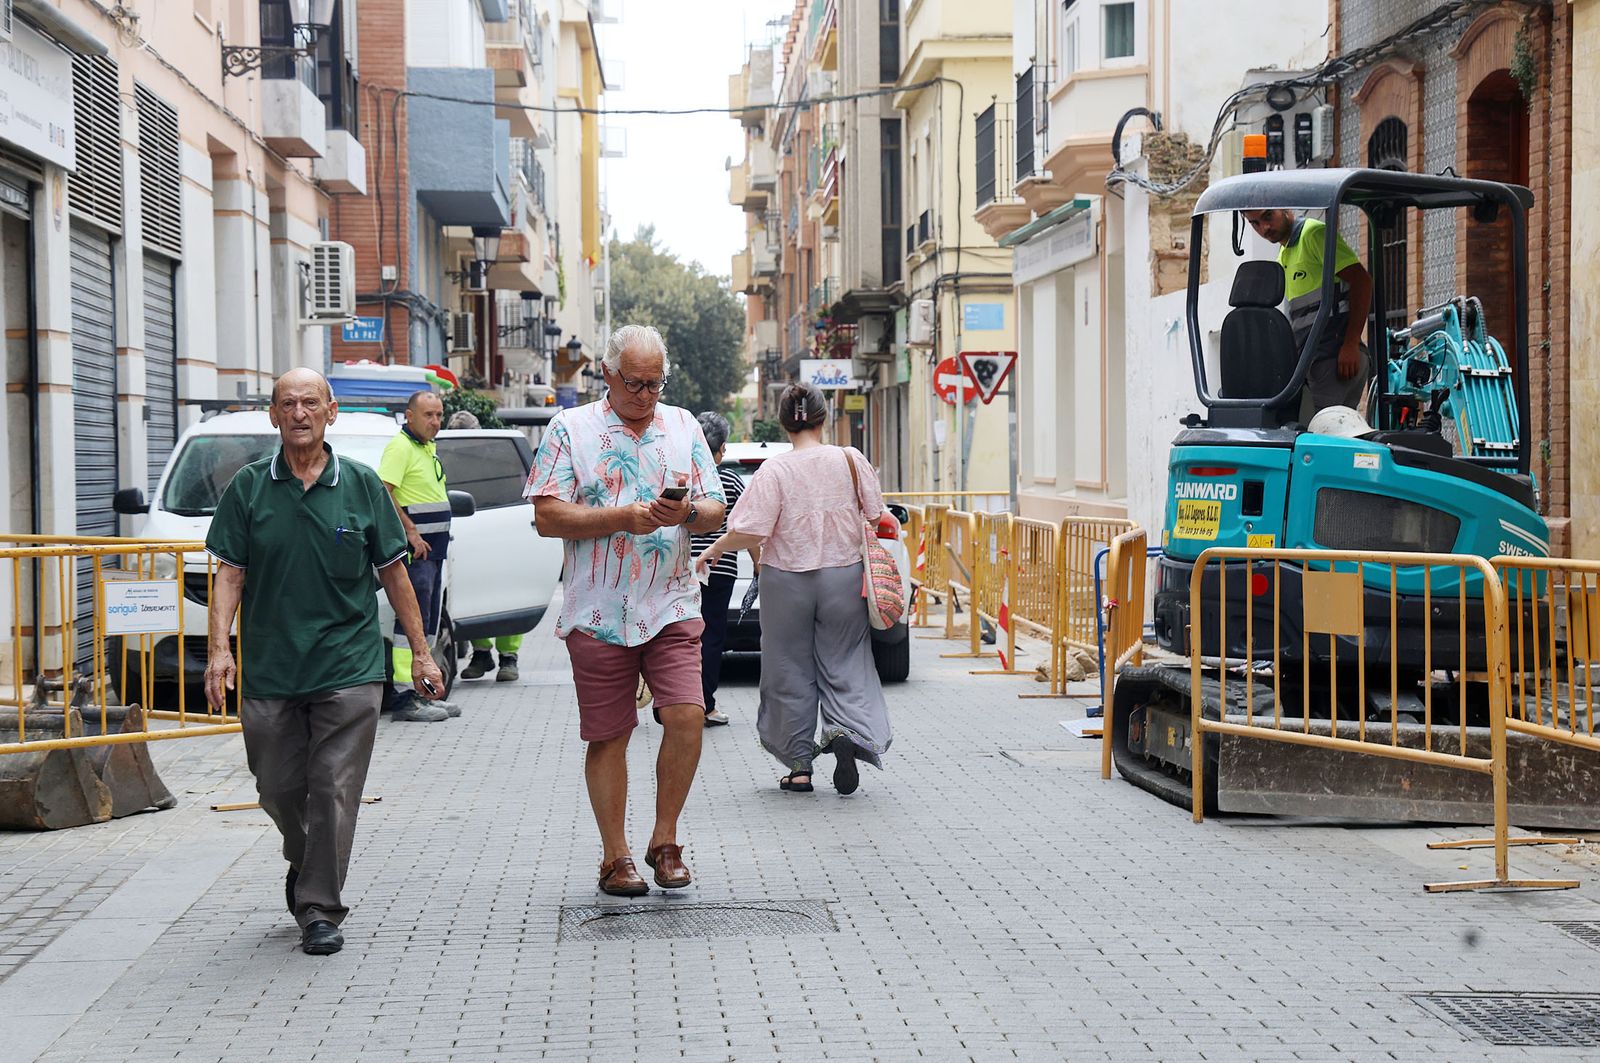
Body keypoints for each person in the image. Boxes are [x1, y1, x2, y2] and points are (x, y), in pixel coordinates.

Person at [204, 368, 445, 956]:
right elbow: (230, 574)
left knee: (334, 786)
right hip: (273, 667)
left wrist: (420, 652)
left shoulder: (360, 484)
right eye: (287, 403)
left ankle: (318, 908)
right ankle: (304, 856)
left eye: (310, 402)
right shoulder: (249, 488)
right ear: (273, 415)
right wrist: (219, 650)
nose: (299, 413)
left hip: (348, 664)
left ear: (330, 411)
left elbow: (394, 573)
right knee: (277, 787)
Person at [525, 324, 726, 896]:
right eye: (634, 383)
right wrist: (620, 517)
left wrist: (686, 514)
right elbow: (546, 516)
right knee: (610, 735)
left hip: (671, 601)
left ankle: (665, 841)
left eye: (655, 384)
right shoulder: (570, 428)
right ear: (608, 374)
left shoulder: (683, 426)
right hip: (598, 610)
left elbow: (716, 508)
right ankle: (615, 858)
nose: (645, 395)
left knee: (686, 715)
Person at [696, 382, 892, 797]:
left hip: (785, 579)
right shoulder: (850, 459)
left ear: (784, 422)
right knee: (846, 659)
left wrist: (714, 549)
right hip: (843, 576)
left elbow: (750, 529)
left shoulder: (775, 470)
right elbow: (876, 515)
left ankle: (799, 767)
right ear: (824, 418)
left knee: (788, 666)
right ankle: (845, 730)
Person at [1242, 208, 1373, 419]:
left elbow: (1362, 281)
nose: (1264, 228)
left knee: (1321, 430)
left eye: (1268, 216)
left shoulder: (1313, 234)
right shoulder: (1284, 254)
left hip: (1334, 358)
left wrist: (1351, 343)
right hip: (1314, 362)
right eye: (1254, 223)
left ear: (1285, 208)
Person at [377, 390, 459, 722]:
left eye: (439, 415)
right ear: (409, 416)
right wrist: (410, 530)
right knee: (411, 623)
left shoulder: (426, 447)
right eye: (428, 415)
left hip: (433, 552)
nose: (435, 421)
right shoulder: (400, 447)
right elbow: (383, 491)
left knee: (427, 623)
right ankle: (404, 697)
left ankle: (424, 692)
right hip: (416, 553)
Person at [446, 408, 523, 683]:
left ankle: (508, 657)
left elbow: (515, 494)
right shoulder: (445, 461)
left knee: (507, 594)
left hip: (500, 534)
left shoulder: (498, 458)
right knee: (474, 593)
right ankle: (481, 653)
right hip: (466, 536)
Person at [688, 411, 745, 727]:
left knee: (680, 635)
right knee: (710, 636)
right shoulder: (732, 481)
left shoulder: (683, 477)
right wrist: (759, 565)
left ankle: (675, 703)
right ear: (721, 448)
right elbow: (745, 526)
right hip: (720, 569)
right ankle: (705, 706)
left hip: (682, 568)